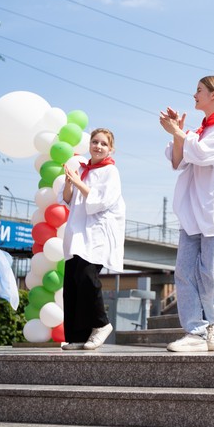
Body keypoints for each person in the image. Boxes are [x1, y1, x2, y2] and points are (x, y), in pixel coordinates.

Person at [159, 75, 214, 353]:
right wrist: (178, 134)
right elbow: (178, 160)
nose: (194, 94)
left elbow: (202, 154)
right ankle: (195, 332)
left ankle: (210, 324)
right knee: (184, 273)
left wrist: (180, 133)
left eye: (199, 90)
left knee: (211, 276)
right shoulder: (199, 130)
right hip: (192, 214)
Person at [58, 127, 125, 351]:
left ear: (111, 149)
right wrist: (69, 180)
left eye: (103, 143)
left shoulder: (110, 172)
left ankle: (101, 323)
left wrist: (77, 181)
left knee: (87, 276)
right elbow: (66, 200)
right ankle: (78, 336)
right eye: (95, 142)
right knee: (73, 283)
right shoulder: (83, 170)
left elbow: (100, 201)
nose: (98, 146)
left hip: (97, 233)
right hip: (77, 232)